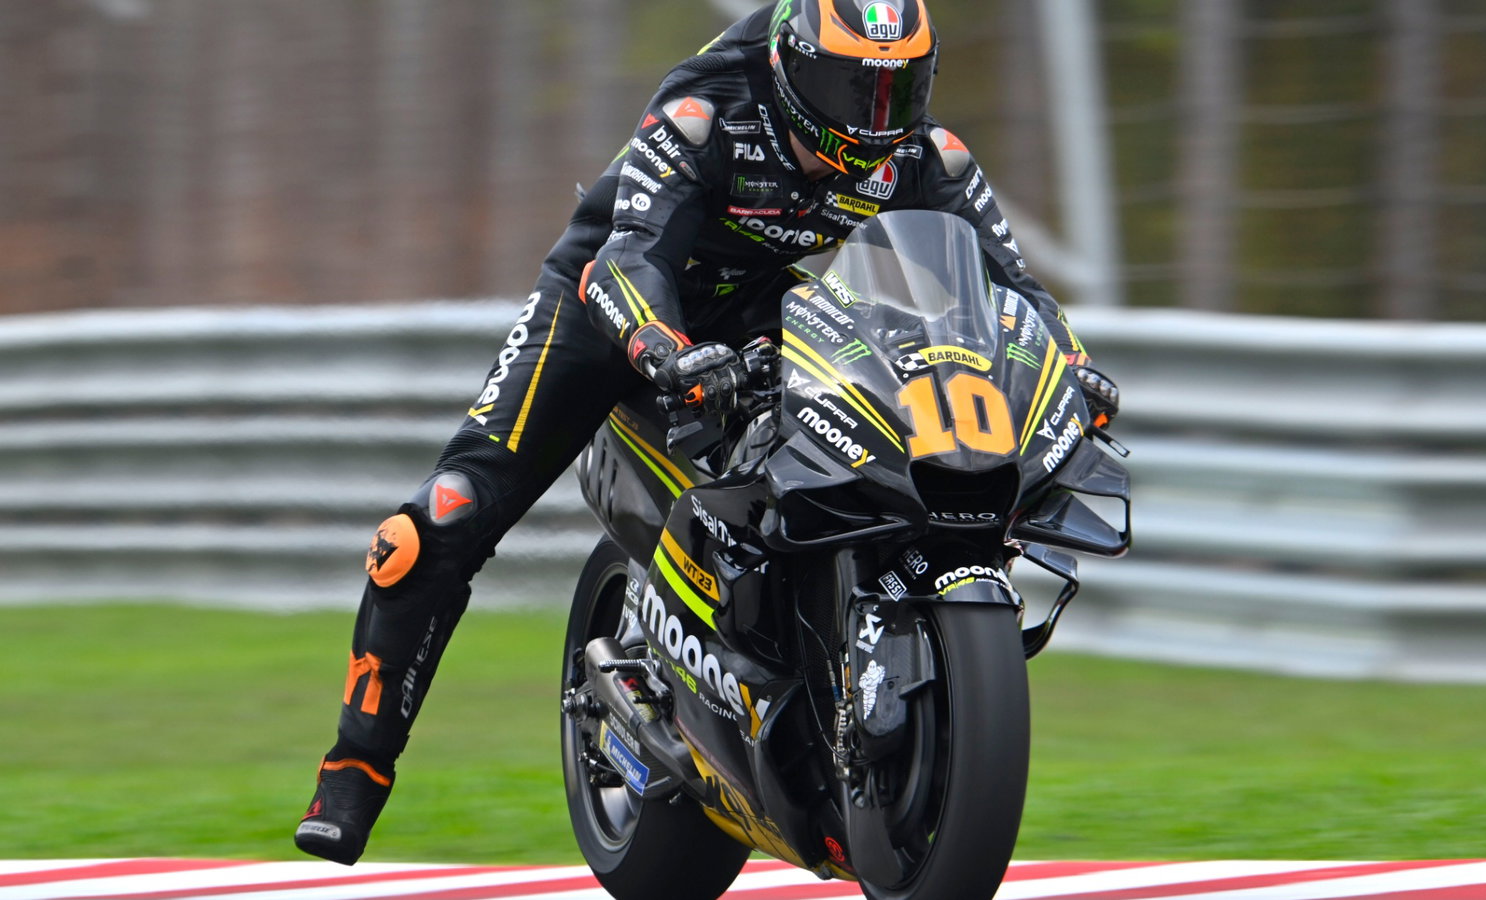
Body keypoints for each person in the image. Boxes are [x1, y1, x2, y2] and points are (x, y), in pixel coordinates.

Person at [294, 0, 1119, 866]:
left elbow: (1013, 287)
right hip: (612, 309)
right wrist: (661, 345)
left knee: (861, 441)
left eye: (899, 87)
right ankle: (352, 775)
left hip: (762, 306)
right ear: (796, 66)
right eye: (855, 86)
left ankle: (793, 674)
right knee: (438, 521)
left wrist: (1066, 361)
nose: (878, 116)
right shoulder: (705, 111)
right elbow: (628, 254)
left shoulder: (922, 153)